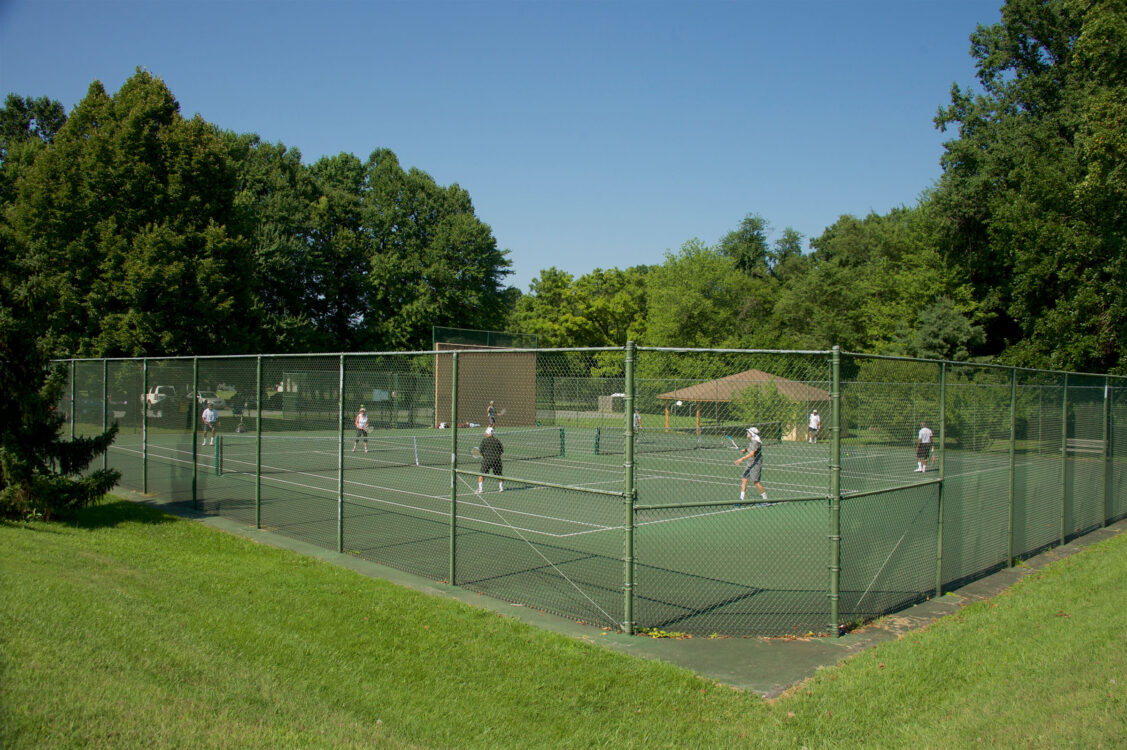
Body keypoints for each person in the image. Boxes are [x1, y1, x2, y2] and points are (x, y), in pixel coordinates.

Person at [734, 426, 770, 506]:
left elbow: (752, 453)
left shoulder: (755, 442)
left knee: (756, 481)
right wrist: (745, 450)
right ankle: (741, 499)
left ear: (752, 434)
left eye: (748, 432)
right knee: (744, 478)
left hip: (756, 463)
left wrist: (741, 459)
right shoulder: (752, 441)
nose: (747, 433)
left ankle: (766, 500)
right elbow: (751, 449)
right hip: (750, 462)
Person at [477, 426, 504, 493]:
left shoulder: (484, 440)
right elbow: (501, 451)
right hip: (497, 460)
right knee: (499, 474)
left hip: (487, 460)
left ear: (488, 433)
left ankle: (480, 489)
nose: (485, 433)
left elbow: (481, 451)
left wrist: (485, 456)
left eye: (486, 432)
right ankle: (501, 488)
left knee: (481, 474)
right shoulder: (497, 441)